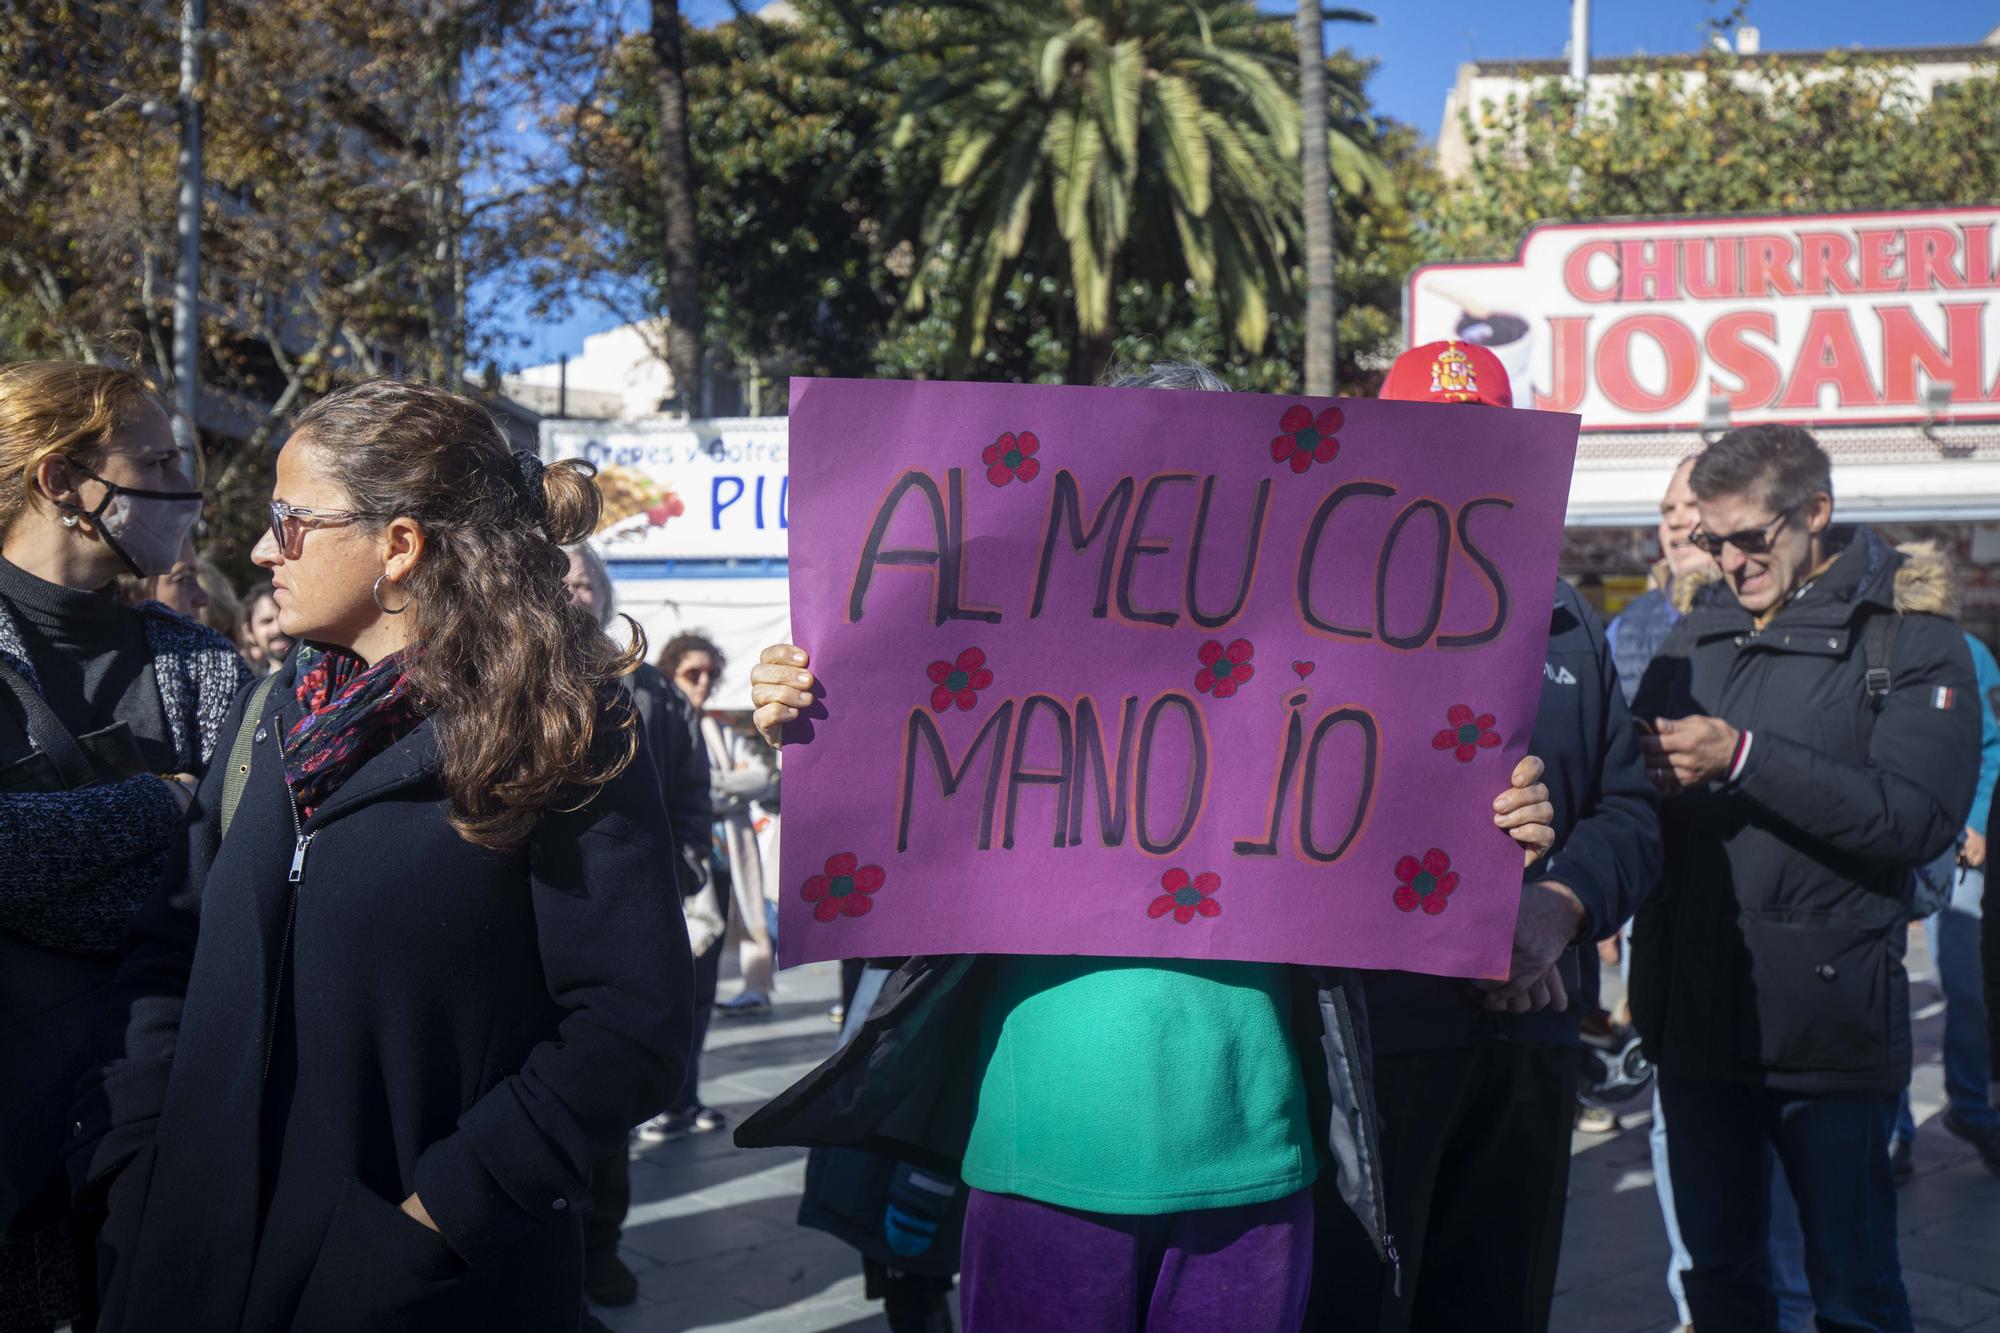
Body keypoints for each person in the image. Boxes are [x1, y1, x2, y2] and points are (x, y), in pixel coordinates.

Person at [734, 361, 1562, 1333]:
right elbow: (892, 797)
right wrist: (808, 712)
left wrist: (1500, 829)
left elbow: (1406, 835)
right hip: (1039, 1157)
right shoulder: (1008, 650)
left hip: (1254, 1164)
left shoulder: (1323, 665)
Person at [69, 379, 693, 1332]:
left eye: (290, 519)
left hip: (414, 1292)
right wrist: (132, 1158)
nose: (259, 547)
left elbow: (628, 1026)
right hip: (189, 1260)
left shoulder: (563, 723)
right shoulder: (276, 709)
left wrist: (429, 1224)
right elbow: (171, 949)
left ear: (399, 546)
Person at [1313, 341, 1662, 1333]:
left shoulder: (1564, 622)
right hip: (1374, 1038)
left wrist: (1550, 912)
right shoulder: (1325, 615)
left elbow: (1629, 813)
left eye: (1482, 436)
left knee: (1498, 1305)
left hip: (1531, 1036)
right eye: (1429, 435)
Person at [1630, 424, 1979, 1333]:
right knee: (1719, 1283)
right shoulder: (1690, 633)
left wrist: (1741, 755)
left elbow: (1915, 818)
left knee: (1853, 1291)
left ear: (1814, 513)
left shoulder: (1912, 640)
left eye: (1750, 537)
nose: (1729, 559)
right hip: (1695, 1016)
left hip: (1828, 1024)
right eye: (1712, 538)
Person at [0, 361, 248, 1332]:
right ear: (62, 481)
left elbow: (239, 883)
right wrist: (158, 806)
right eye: (154, 460)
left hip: (162, 1146)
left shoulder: (203, 663)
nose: (184, 486)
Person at [1608, 455, 1810, 1333]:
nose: (1679, 525)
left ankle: (1786, 1305)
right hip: (1669, 930)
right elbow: (1609, 774)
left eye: (1693, 508)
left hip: (1780, 943)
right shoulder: (1628, 628)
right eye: (1665, 510)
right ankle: (1702, 1304)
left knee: (1789, 1163)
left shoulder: (1794, 620)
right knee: (1675, 1135)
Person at [563, 542, 716, 1309]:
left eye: (584, 579)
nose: (571, 590)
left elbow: (694, 799)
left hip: (624, 926)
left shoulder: (651, 692)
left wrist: (679, 869)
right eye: (557, 576)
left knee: (605, 1094)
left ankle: (601, 1247)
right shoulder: (495, 676)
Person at [1890, 628, 2000, 1177]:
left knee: (1968, 985)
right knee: (1886, 992)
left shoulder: (1966, 651)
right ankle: (1894, 1132)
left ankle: (1972, 1107)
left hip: (1953, 845)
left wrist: (1977, 821)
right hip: (1882, 842)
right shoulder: (1862, 639)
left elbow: (1991, 743)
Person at [666, 633, 780, 1016]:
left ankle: (753, 987)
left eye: (710, 673)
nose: (703, 681)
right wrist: (731, 783)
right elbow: (675, 788)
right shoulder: (663, 725)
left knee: (742, 922)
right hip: (686, 852)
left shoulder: (721, 731)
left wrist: (710, 784)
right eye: (692, 673)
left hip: (728, 850)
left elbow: (763, 779)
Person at [239, 580, 293, 674]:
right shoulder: (250, 686)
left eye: (285, 617)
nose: (278, 629)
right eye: (267, 621)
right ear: (249, 631)